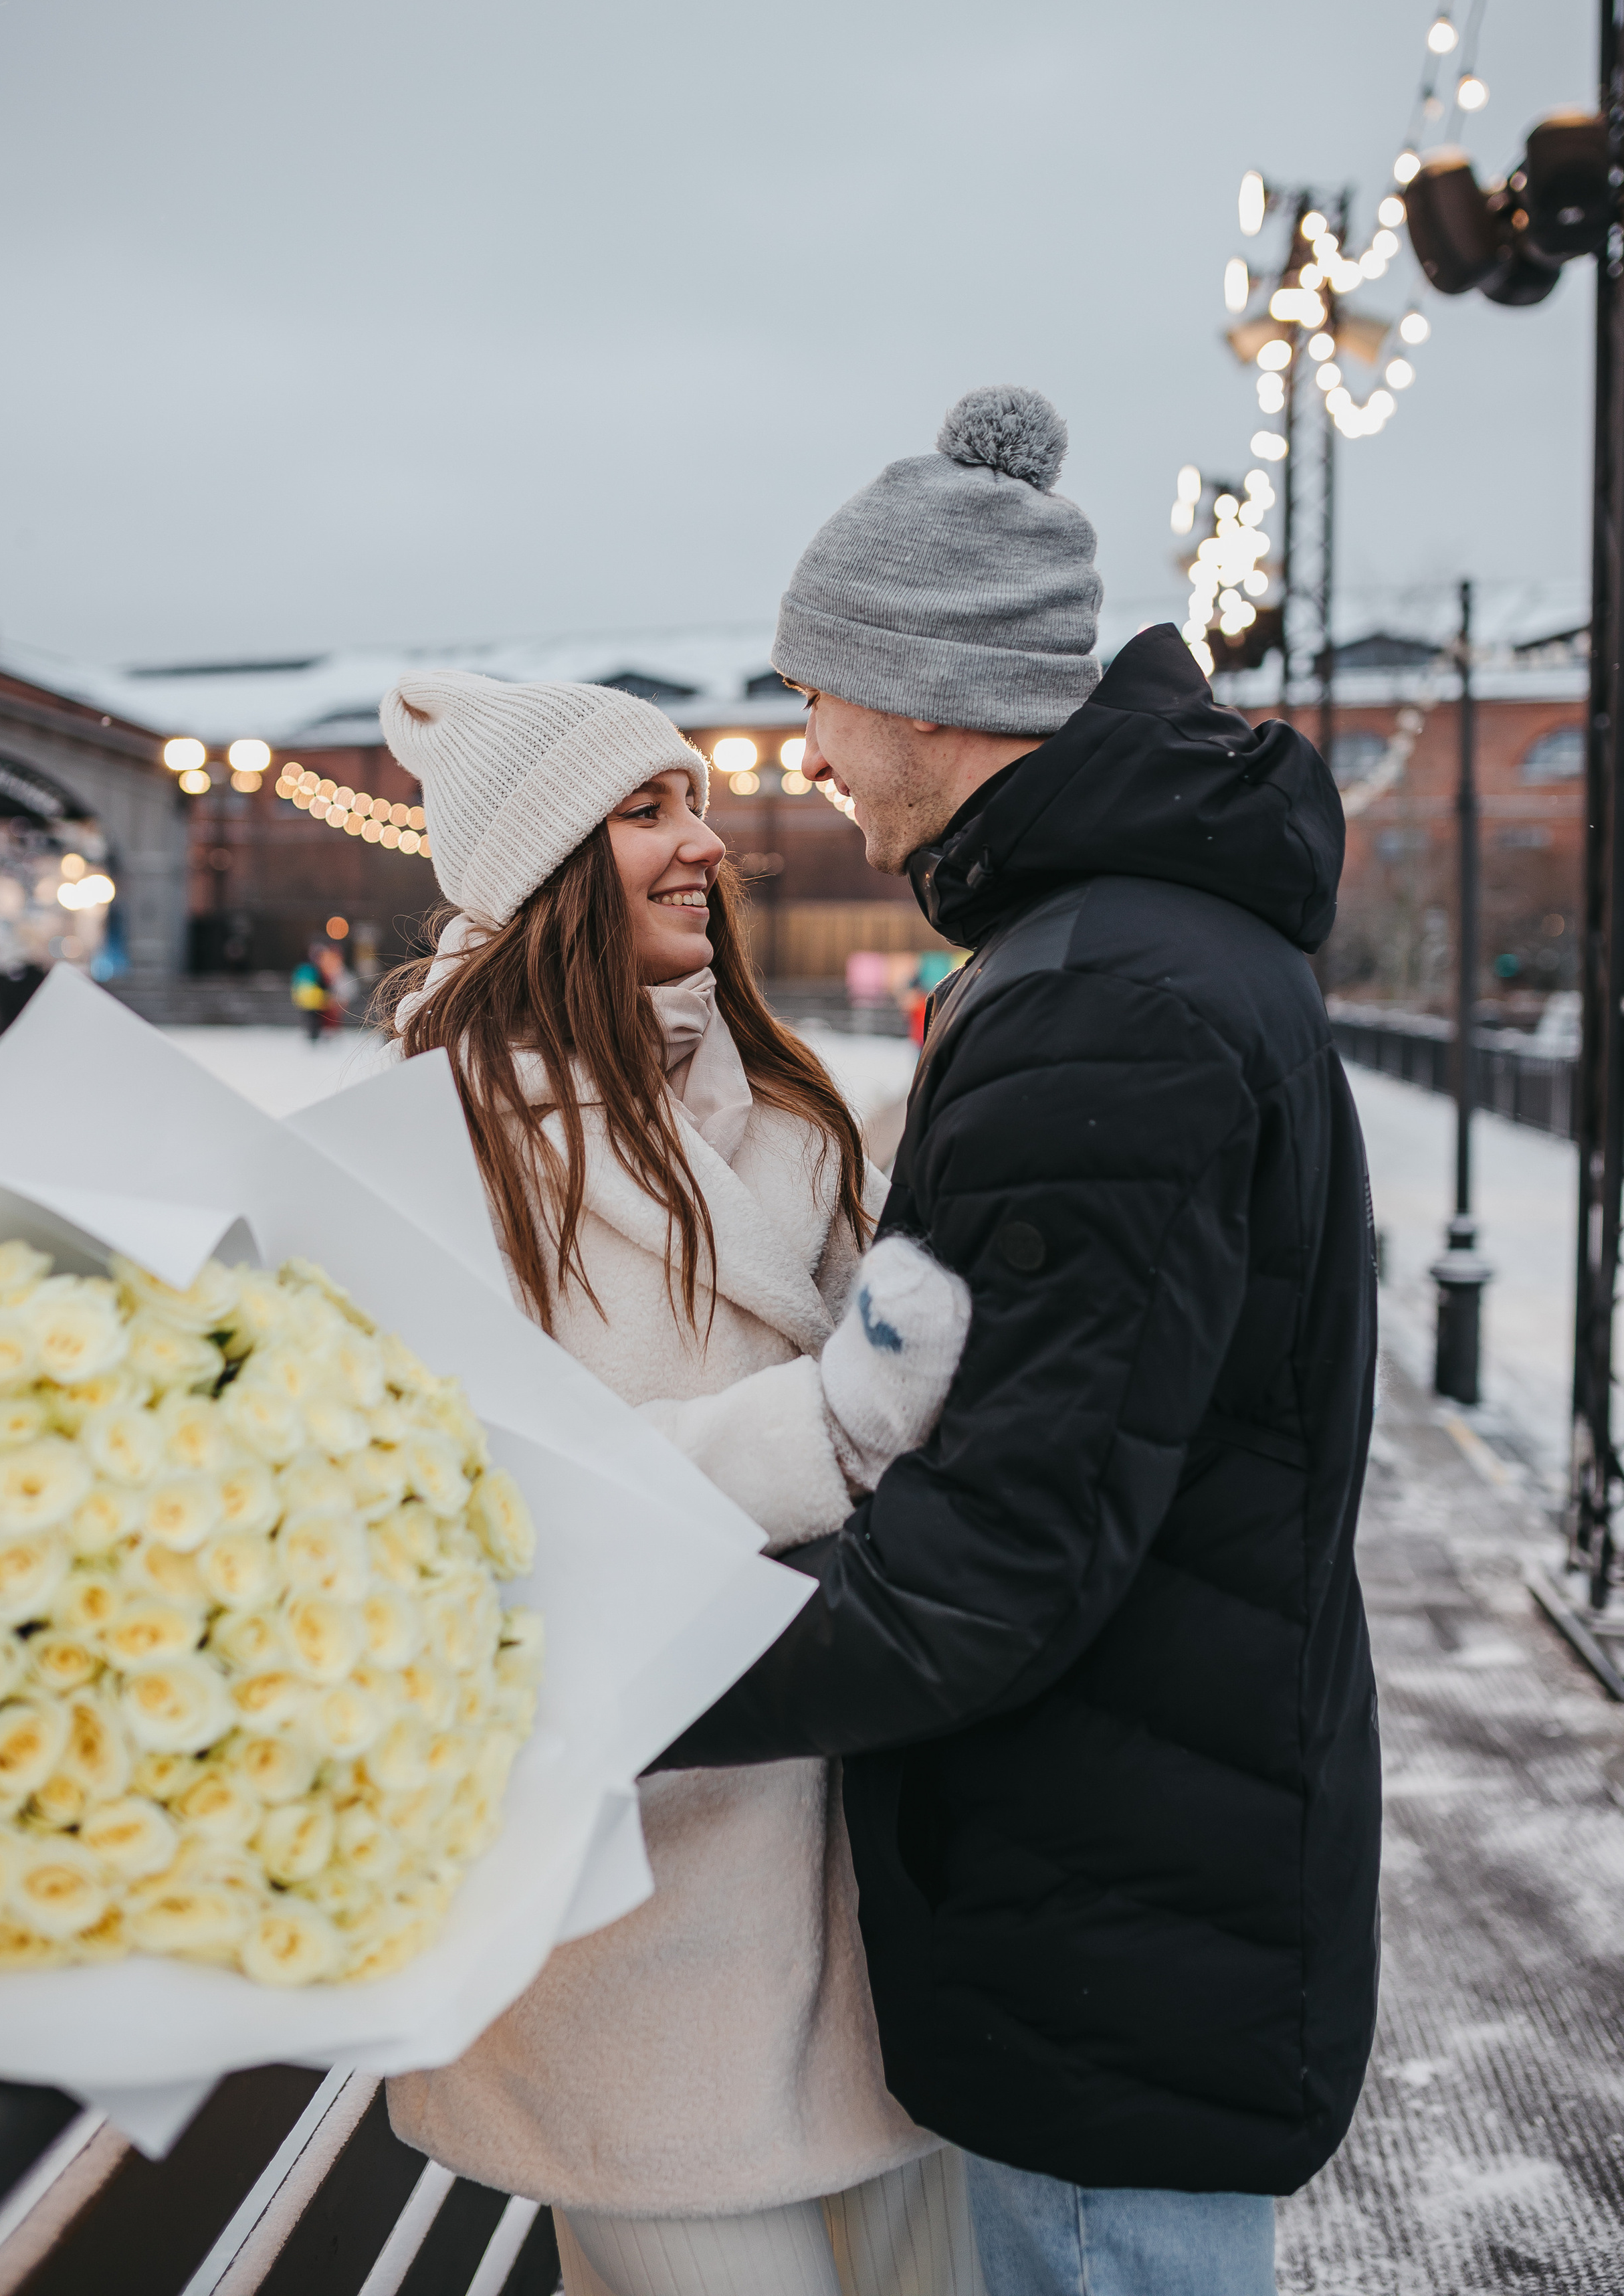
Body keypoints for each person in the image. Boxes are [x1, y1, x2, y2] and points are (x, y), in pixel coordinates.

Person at [660, 387, 1381, 2296]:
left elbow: (990, 1569)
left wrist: (593, 1675)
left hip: (1113, 1929)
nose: (803, 749)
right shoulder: (1135, 952)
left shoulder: (1105, 1006)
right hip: (1147, 1883)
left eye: (816, 694)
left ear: (920, 690)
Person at [376, 670, 985, 2296]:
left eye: (692, 803)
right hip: (632, 1913)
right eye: (645, 813)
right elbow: (466, 1505)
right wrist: (822, 1427)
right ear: (544, 866)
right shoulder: (438, 1141)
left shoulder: (794, 1107)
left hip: (857, 1892)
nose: (703, 844)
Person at [290, 948, 328, 1040]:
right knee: (316, 1018)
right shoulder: (315, 969)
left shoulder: (300, 969)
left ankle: (311, 1035)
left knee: (308, 1017)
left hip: (302, 998)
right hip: (315, 998)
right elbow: (321, 983)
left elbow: (295, 983)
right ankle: (314, 1036)